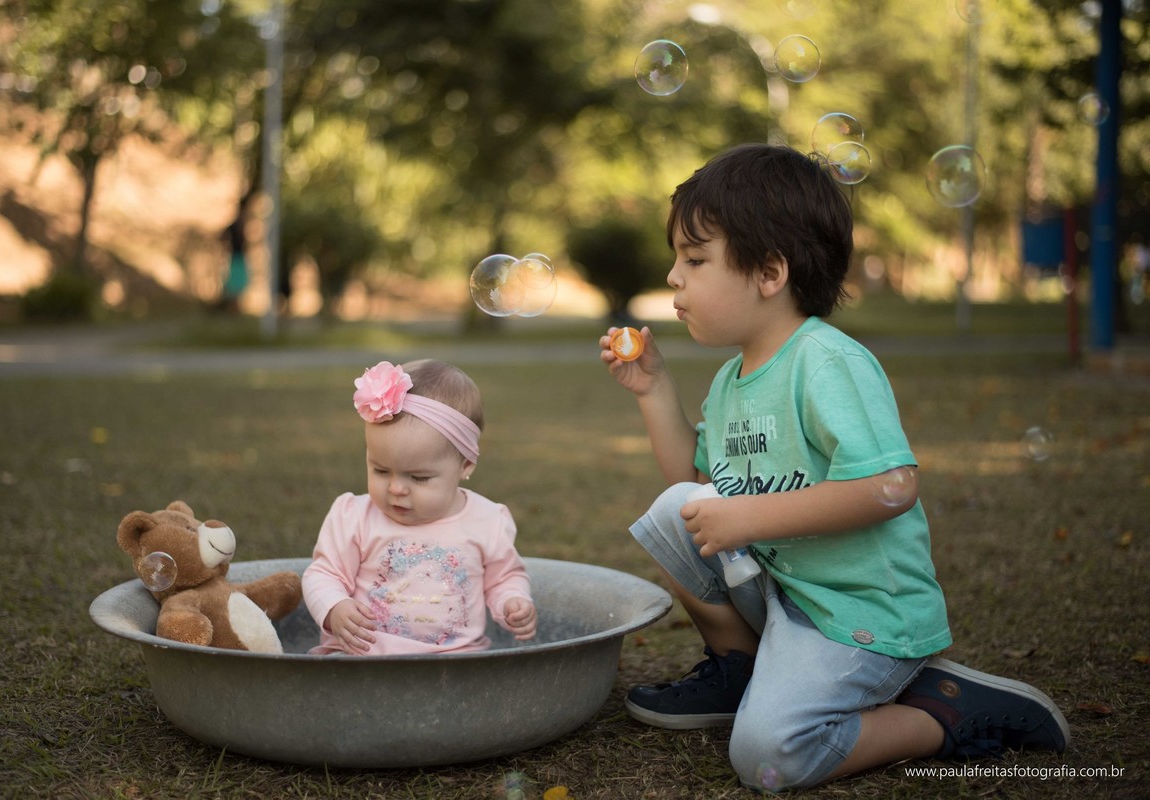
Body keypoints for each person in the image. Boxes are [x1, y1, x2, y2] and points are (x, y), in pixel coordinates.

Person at [599, 143, 1069, 791]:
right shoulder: (732, 381)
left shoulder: (826, 363)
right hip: (790, 596)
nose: (675, 277)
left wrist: (749, 516)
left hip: (857, 614)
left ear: (769, 273)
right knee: (673, 510)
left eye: (695, 259)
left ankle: (945, 714)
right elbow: (697, 481)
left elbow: (892, 486)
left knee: (769, 757)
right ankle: (741, 672)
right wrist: (652, 391)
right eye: (676, 259)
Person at [303, 359, 538, 655]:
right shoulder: (354, 516)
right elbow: (323, 574)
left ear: (465, 464)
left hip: (456, 661)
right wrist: (334, 607)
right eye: (380, 470)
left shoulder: (487, 520)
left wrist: (512, 601)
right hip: (362, 657)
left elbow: (504, 577)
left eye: (419, 478)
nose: (396, 488)